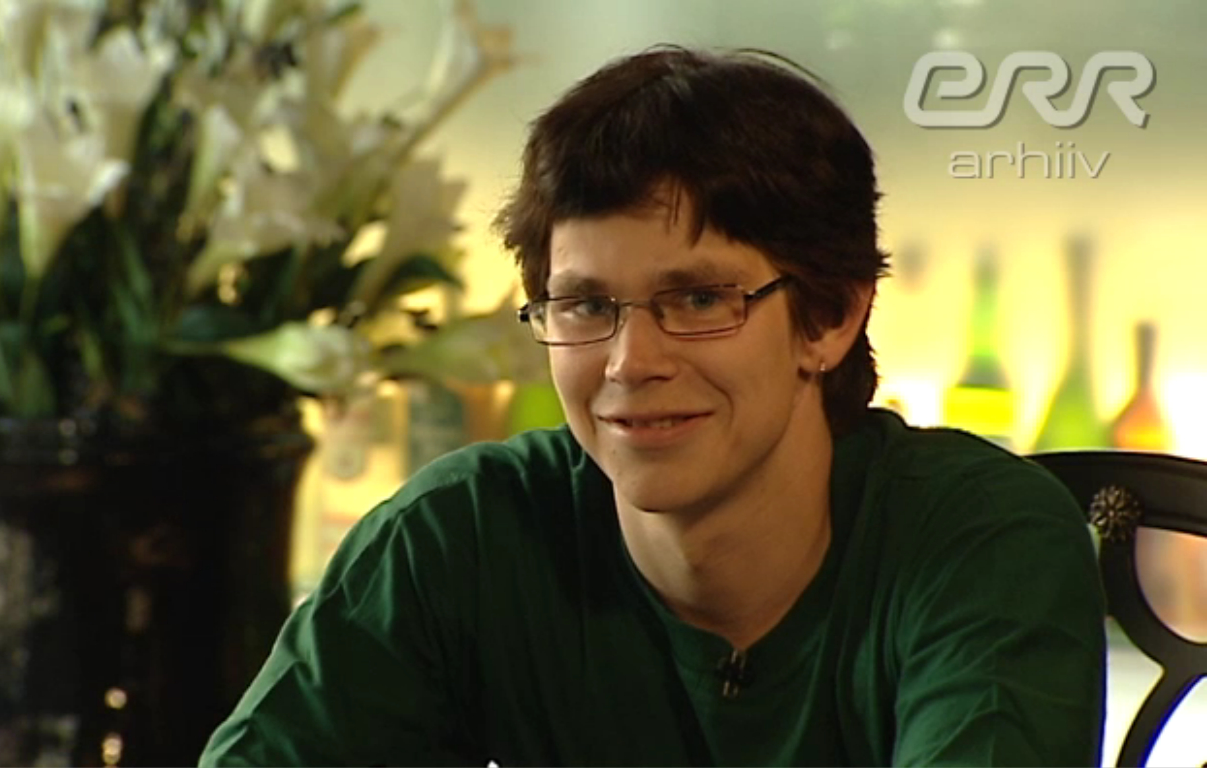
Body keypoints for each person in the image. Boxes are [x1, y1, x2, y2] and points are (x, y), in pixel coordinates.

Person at [200, 45, 1107, 766]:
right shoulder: (456, 535)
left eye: (701, 300)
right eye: (586, 306)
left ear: (830, 318)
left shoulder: (981, 539)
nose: (631, 362)